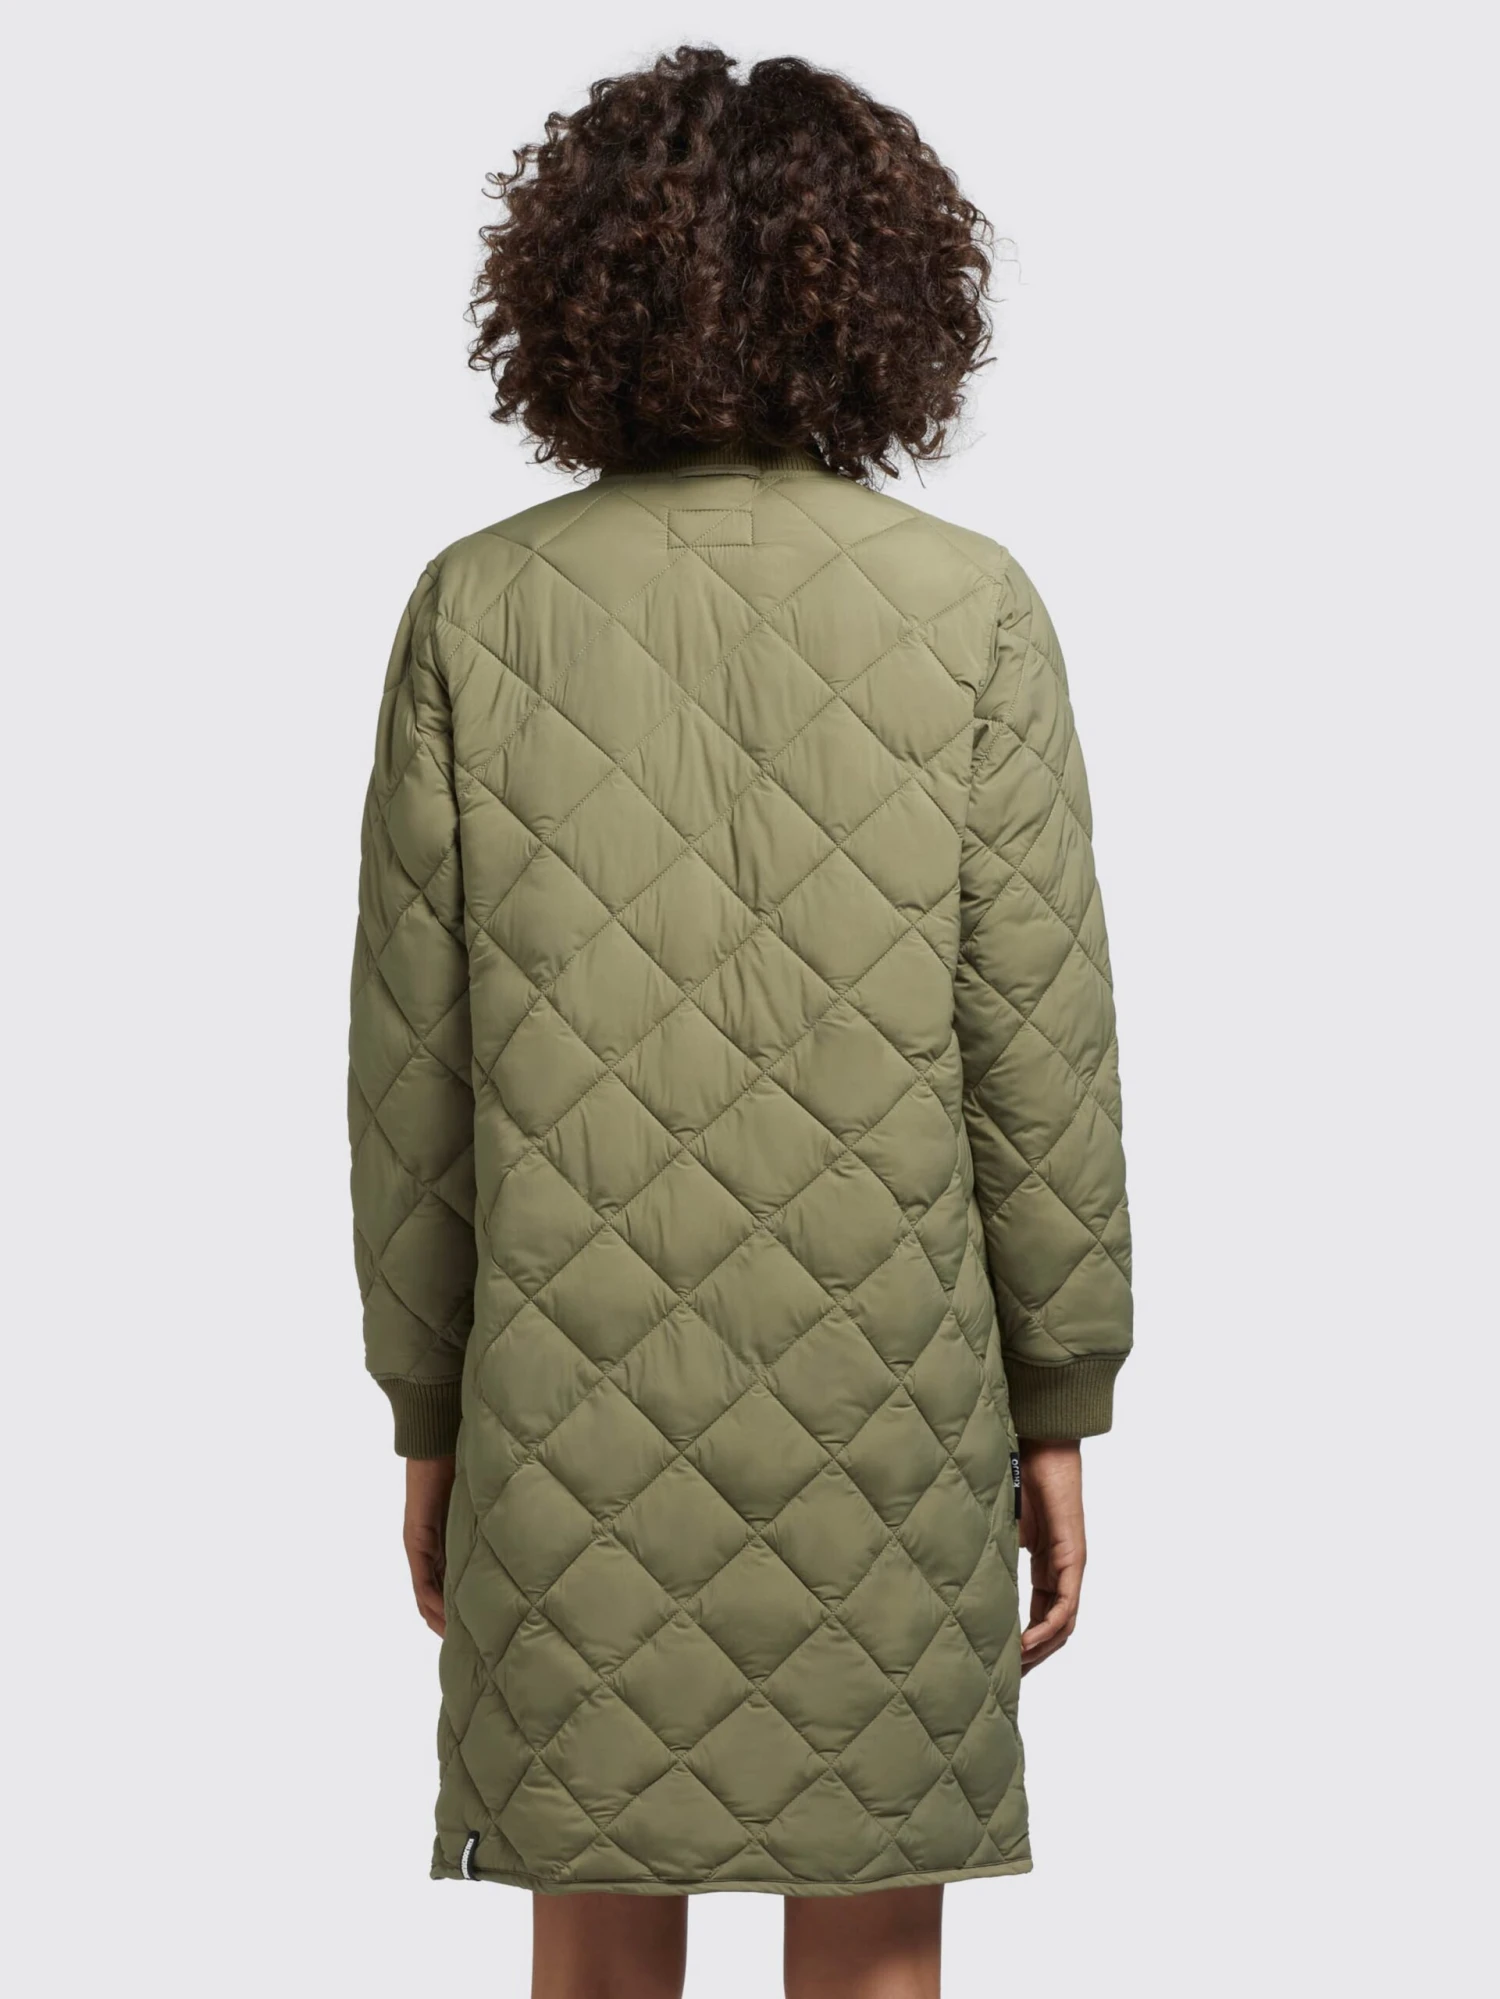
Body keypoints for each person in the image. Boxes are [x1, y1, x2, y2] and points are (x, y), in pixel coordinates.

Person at [347, 44, 1132, 1999]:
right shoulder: (973, 610)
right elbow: (1040, 1056)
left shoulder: (476, 611)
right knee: (871, 1950)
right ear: (888, 295)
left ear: (576, 288)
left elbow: (411, 1084)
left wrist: (430, 1414)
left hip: (566, 1408)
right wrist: (1059, 1402)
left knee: (597, 1945)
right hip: (892, 1401)